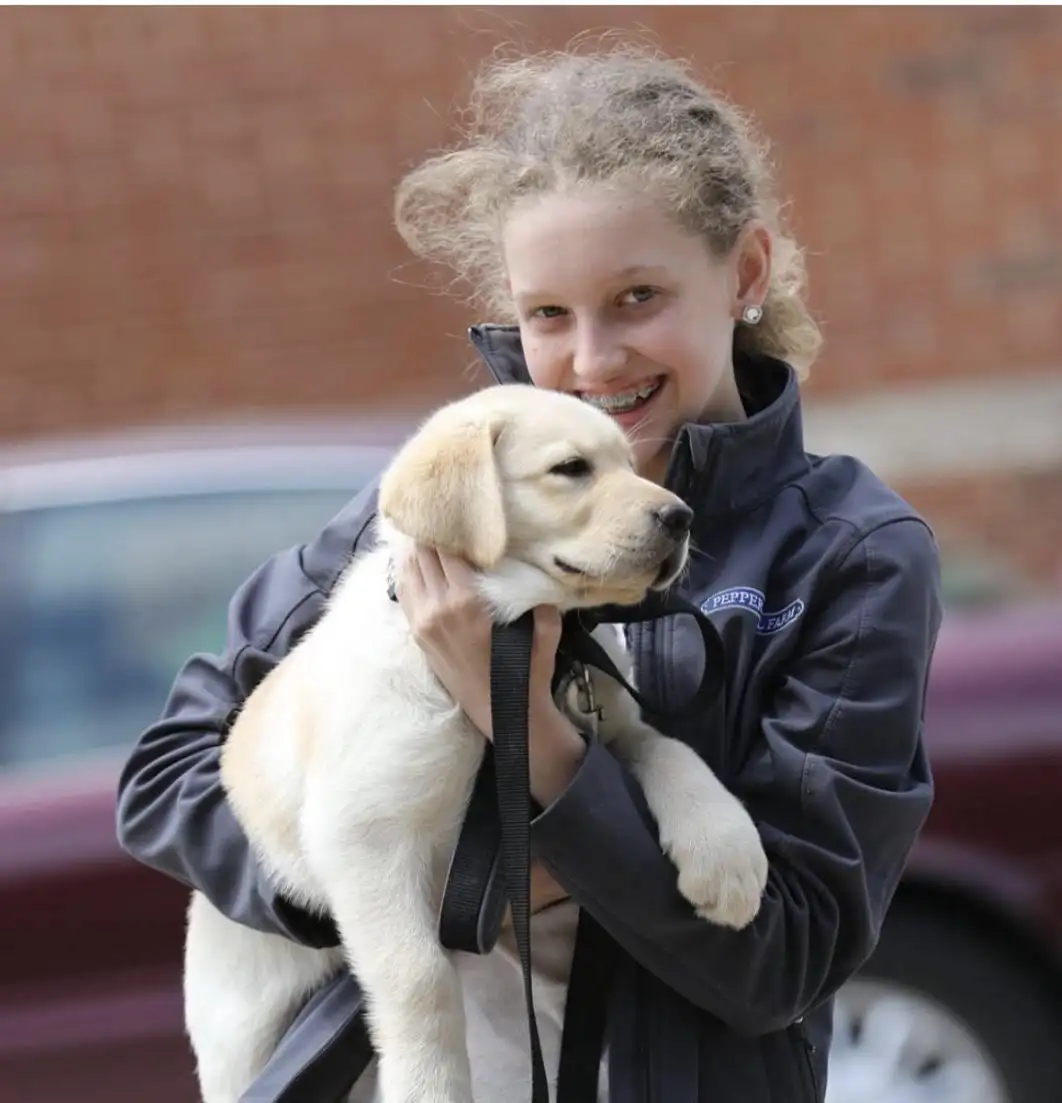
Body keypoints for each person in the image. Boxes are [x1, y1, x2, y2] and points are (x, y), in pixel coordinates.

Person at [116, 43, 942, 1103]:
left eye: (637, 295)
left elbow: (782, 955)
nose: (593, 361)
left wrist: (532, 741)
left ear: (744, 274)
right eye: (548, 313)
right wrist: (411, 880)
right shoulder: (426, 514)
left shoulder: (848, 553)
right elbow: (167, 777)